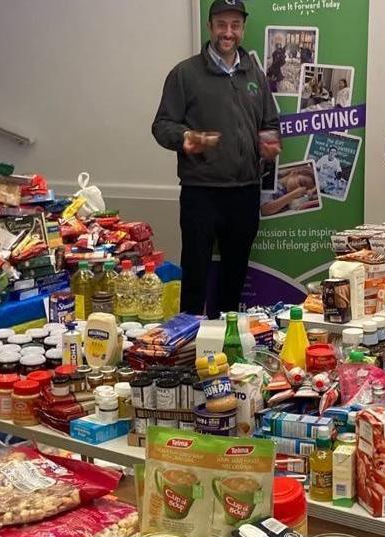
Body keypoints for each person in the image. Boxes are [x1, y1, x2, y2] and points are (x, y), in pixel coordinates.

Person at [152, 0, 281, 316]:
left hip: (245, 191)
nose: (228, 32)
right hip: (201, 192)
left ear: (242, 29)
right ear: (210, 26)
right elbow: (162, 125)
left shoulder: (255, 74)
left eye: (235, 25)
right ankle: (189, 336)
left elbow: (269, 122)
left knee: (235, 274)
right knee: (195, 273)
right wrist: (188, 138)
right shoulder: (185, 74)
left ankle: (227, 336)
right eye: (222, 24)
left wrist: (268, 142)